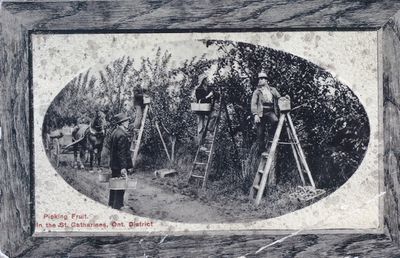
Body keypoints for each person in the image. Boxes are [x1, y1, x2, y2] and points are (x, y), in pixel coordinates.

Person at [251, 71, 281, 152]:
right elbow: (253, 103)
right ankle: (262, 150)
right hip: (261, 113)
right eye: (259, 79)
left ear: (266, 80)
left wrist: (285, 98)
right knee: (260, 132)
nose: (260, 80)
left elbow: (279, 97)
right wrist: (255, 114)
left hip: (270, 111)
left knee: (275, 121)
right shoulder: (257, 91)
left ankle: (271, 136)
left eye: (262, 79)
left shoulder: (273, 90)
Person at [108, 113, 133, 210]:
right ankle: (118, 207)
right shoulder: (122, 135)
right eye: (126, 121)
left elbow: (113, 150)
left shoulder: (114, 132)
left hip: (114, 165)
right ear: (122, 123)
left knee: (114, 186)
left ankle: (111, 205)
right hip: (119, 166)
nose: (128, 122)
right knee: (120, 187)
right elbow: (121, 153)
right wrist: (123, 167)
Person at [195, 75, 219, 144]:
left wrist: (216, 94)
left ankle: (210, 128)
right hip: (200, 109)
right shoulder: (198, 89)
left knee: (215, 115)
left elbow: (216, 94)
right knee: (201, 126)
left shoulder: (209, 88)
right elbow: (200, 100)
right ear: (203, 81)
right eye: (206, 80)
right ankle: (200, 142)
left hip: (208, 108)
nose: (207, 81)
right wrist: (208, 96)